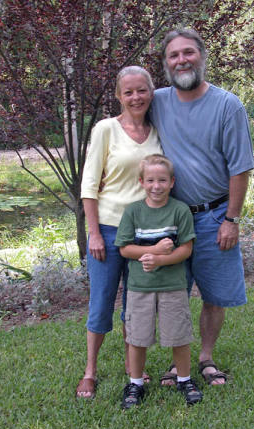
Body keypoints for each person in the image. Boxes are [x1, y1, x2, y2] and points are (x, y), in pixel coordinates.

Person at [149, 28, 254, 386]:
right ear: (166, 63)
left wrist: (231, 220)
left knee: (214, 294)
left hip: (214, 217)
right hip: (172, 220)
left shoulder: (228, 105)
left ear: (202, 56)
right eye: (174, 55)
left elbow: (240, 168)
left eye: (188, 52)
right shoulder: (157, 101)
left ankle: (206, 357)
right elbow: (127, 117)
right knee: (174, 294)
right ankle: (178, 363)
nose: (182, 60)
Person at [76, 66, 164, 398]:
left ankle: (132, 369)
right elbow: (88, 185)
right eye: (128, 92)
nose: (136, 97)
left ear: (151, 92)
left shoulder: (158, 131)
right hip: (110, 232)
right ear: (119, 96)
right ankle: (90, 372)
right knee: (100, 303)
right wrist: (94, 233)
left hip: (147, 233)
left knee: (136, 304)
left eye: (142, 90)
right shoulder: (105, 130)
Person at [115, 154, 203, 409]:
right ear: (142, 182)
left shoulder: (179, 210)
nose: (157, 186)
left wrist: (161, 261)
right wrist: (154, 250)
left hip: (173, 285)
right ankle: (135, 383)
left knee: (179, 335)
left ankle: (184, 379)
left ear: (172, 182)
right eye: (151, 180)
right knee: (137, 337)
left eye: (162, 180)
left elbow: (185, 249)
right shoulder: (133, 211)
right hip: (140, 287)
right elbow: (124, 248)